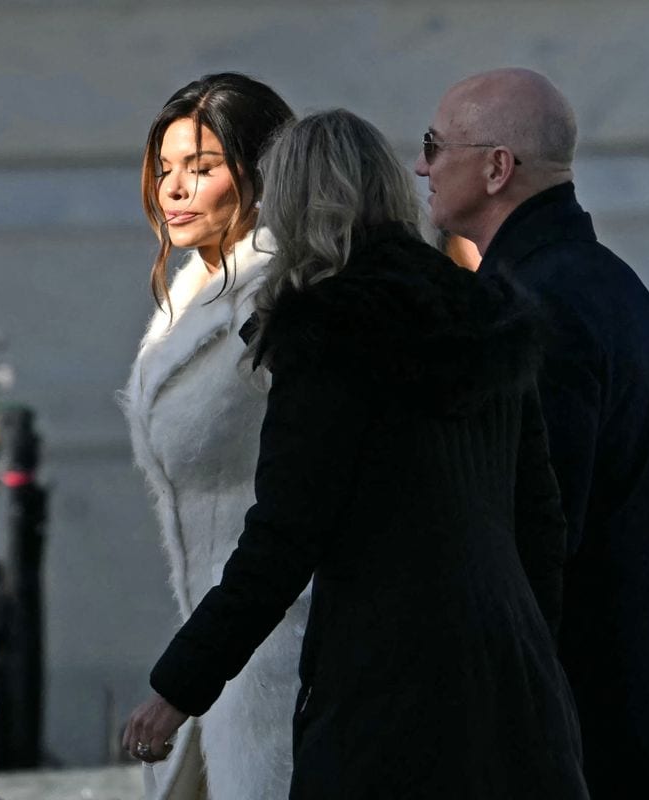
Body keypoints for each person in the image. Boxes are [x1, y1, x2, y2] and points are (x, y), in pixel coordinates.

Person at [124, 108, 589, 799]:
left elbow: (281, 540)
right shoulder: (486, 313)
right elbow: (541, 521)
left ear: (291, 206)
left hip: (386, 692)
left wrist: (177, 689)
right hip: (512, 684)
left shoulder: (324, 338)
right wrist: (525, 649)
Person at [416, 69, 649, 798]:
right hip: (612, 680)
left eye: (436, 145)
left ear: (497, 167)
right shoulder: (610, 283)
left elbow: (534, 527)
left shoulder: (531, 306)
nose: (422, 165)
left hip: (562, 696)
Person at [120, 72, 296, 800]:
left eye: (202, 168)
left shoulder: (281, 295)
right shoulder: (195, 288)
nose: (175, 190)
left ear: (257, 173)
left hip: (284, 646)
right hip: (213, 648)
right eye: (166, 170)